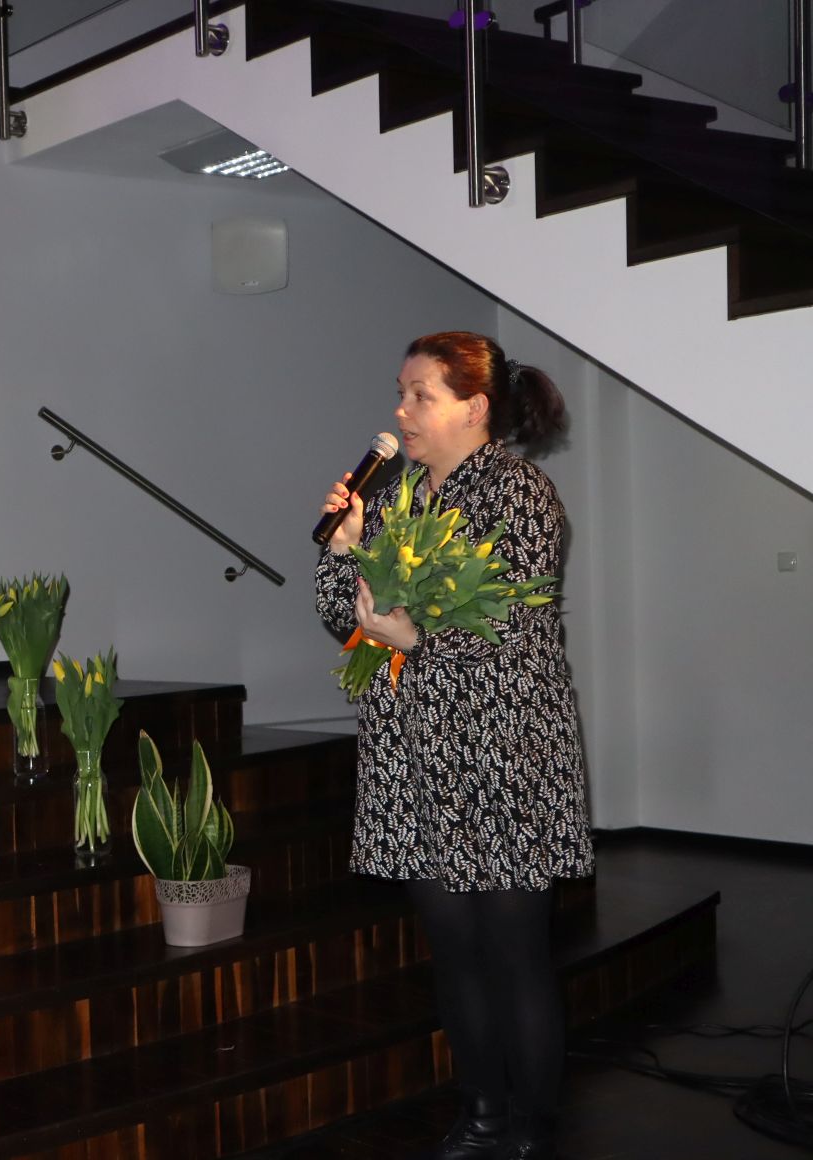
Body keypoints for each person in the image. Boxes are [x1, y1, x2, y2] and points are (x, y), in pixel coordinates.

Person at [315, 332, 594, 1160]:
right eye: (401, 393)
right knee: (455, 956)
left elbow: (516, 633)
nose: (401, 411)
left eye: (420, 396)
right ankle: (481, 1116)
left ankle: (533, 1129)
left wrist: (415, 639)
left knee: (515, 956)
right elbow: (343, 617)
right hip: (414, 757)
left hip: (503, 755)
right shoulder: (394, 497)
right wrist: (344, 546)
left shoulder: (520, 494)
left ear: (473, 408)